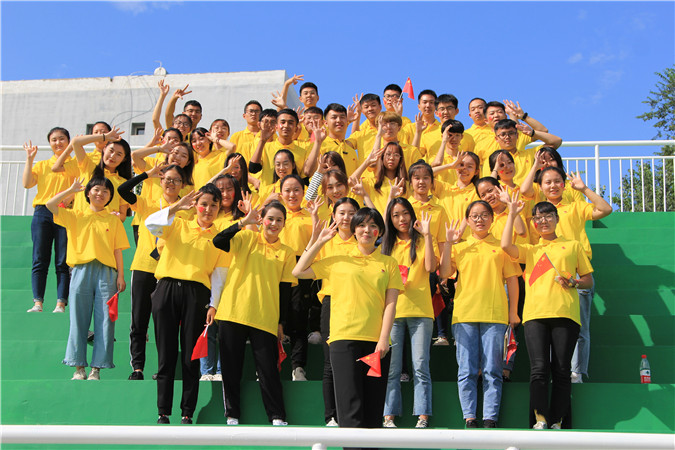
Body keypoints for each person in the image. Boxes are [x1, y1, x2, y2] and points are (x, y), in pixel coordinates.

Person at [293, 208, 403, 450]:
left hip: (376, 345)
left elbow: (391, 304)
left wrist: (383, 339)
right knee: (350, 407)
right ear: (354, 230)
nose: (367, 230)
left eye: (373, 226)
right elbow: (298, 271)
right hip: (344, 342)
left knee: (373, 410)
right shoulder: (338, 259)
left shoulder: (389, 263)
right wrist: (319, 241)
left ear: (380, 232)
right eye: (361, 225)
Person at [501, 196, 593, 429]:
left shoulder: (573, 245)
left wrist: (573, 282)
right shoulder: (531, 249)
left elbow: (588, 280)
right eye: (538, 218)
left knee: (561, 370)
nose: (543, 221)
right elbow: (505, 246)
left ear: (557, 219)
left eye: (548, 216)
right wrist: (512, 213)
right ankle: (539, 419)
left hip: (566, 315)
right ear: (534, 223)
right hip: (535, 316)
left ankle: (559, 421)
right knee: (539, 369)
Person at [520, 165, 612, 384]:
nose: (553, 186)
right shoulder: (536, 213)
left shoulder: (575, 206)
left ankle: (576, 372)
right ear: (540, 186)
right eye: (547, 182)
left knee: (579, 328)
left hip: (576, 272)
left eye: (557, 181)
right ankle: (557, 373)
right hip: (545, 276)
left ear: (564, 184)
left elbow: (605, 209)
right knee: (550, 330)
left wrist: (584, 189)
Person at [145, 184, 228, 425]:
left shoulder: (220, 239)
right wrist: (176, 207)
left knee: (191, 356)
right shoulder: (178, 224)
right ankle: (163, 411)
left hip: (197, 294)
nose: (208, 209)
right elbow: (150, 224)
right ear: (195, 205)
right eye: (204, 204)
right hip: (167, 289)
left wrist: (213, 305)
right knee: (166, 354)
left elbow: (219, 276)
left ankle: (187, 412)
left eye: (214, 205)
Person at [212, 200, 296, 426]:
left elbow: (285, 291)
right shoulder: (247, 238)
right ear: (261, 220)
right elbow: (218, 240)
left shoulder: (287, 253)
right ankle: (232, 414)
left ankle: (277, 416)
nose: (274, 224)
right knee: (231, 368)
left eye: (279, 220)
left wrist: (281, 322)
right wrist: (243, 222)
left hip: (265, 317)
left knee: (268, 370)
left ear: (284, 224)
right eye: (270, 219)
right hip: (233, 312)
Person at [47, 177, 129, 380]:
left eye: (105, 191)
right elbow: (50, 205)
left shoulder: (113, 220)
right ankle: (79, 368)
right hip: (80, 271)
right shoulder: (75, 215)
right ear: (88, 193)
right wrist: (70, 189)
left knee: (105, 320)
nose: (100, 194)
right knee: (78, 318)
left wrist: (121, 275)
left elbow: (117, 250)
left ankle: (96, 369)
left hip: (107, 273)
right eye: (96, 189)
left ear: (110, 197)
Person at [450, 200, 521, 428]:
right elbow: (444, 272)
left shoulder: (501, 247)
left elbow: (512, 280)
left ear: (491, 219)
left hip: (494, 314)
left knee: (492, 369)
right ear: (467, 220)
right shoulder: (459, 247)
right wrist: (448, 244)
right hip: (464, 315)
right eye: (474, 216)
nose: (479, 219)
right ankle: (469, 417)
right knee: (466, 370)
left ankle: (490, 417)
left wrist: (513, 312)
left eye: (484, 215)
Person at [117, 163, 190, 381]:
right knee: (139, 320)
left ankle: (163, 369)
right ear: (161, 181)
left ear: (182, 184)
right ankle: (137, 367)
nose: (171, 183)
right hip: (144, 267)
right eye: (167, 179)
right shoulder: (149, 204)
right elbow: (122, 190)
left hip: (169, 271)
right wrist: (146, 174)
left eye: (176, 180)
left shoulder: (188, 210)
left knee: (165, 324)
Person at [381, 198, 443, 429]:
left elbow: (431, 268)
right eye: (396, 215)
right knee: (393, 368)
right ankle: (389, 415)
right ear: (390, 219)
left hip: (421, 311)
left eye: (405, 213)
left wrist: (427, 235)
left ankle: (423, 415)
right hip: (393, 312)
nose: (402, 219)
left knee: (420, 365)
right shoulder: (386, 245)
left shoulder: (424, 240)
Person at [306, 197, 360, 426]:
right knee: (330, 362)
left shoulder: (363, 241)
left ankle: (351, 414)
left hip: (358, 304)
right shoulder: (327, 239)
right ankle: (331, 416)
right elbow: (305, 265)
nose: (346, 218)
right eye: (341, 213)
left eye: (351, 213)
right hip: (332, 303)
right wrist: (316, 236)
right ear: (334, 216)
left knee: (355, 361)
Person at [23, 128, 73, 313]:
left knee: (62, 260)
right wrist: (29, 159)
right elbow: (27, 183)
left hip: (64, 212)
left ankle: (61, 303)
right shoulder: (43, 165)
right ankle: (38, 302)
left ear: (69, 141)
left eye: (62, 139)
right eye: (54, 140)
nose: (58, 143)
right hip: (42, 212)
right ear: (50, 143)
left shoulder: (74, 165)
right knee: (39, 258)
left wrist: (68, 201)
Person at [278, 174, 314, 381]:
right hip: (277, 266)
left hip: (302, 268)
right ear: (281, 193)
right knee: (274, 318)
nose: (292, 194)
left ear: (303, 192)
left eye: (296, 190)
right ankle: (269, 365)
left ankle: (298, 367)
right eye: (287, 190)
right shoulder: (275, 215)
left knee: (299, 318)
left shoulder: (310, 215)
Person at [51, 127, 131, 220]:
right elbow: (76, 142)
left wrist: (115, 216)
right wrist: (104, 137)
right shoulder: (89, 167)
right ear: (104, 149)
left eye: (119, 154)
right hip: (81, 224)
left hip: (106, 226)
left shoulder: (123, 183)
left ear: (124, 159)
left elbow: (123, 215)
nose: (113, 156)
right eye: (111, 151)